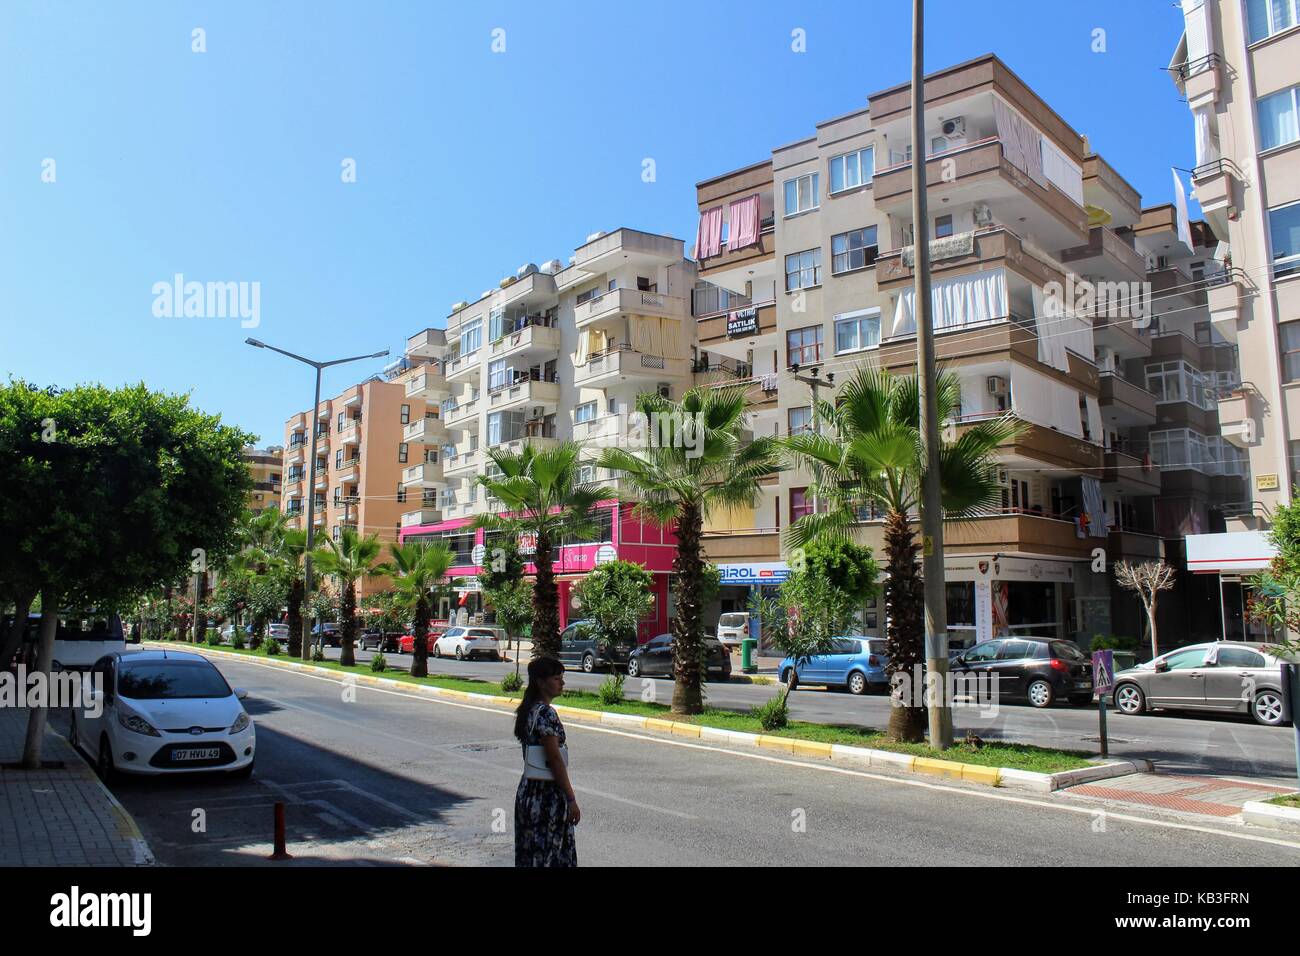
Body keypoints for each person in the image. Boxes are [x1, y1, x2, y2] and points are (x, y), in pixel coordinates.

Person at [513, 656, 579, 867]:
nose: (562, 682)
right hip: (546, 797)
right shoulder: (547, 714)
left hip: (528, 792)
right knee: (551, 855)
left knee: (531, 854)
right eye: (556, 678)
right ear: (541, 682)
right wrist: (570, 798)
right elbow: (554, 759)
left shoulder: (528, 709)